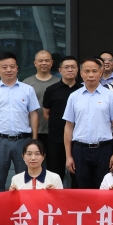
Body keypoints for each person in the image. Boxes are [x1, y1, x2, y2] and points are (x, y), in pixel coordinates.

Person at [0, 52, 39, 192]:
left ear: (17, 68)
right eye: (4, 67)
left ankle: (24, 205)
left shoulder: (28, 90)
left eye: (12, 66)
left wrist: (34, 140)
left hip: (23, 140)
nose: (9, 70)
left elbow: (34, 114)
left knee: (25, 179)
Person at [63, 58, 113, 189]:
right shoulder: (74, 96)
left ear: (100, 72)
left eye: (94, 71)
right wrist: (68, 156)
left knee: (104, 188)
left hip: (104, 149)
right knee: (82, 188)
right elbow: (68, 127)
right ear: (81, 73)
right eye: (87, 71)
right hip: (80, 149)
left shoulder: (110, 96)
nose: (90, 75)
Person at [42, 56, 81, 186]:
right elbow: (46, 113)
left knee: (77, 175)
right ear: (60, 70)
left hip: (77, 139)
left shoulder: (82, 90)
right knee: (55, 175)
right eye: (66, 67)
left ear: (77, 70)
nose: (70, 70)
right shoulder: (51, 90)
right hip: (56, 139)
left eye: (73, 67)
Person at [22, 50, 58, 167]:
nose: (44, 63)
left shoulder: (59, 82)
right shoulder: (26, 83)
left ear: (51, 63)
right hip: (32, 132)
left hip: (53, 132)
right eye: (40, 61)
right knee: (33, 165)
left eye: (47, 60)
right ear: (35, 63)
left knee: (53, 166)